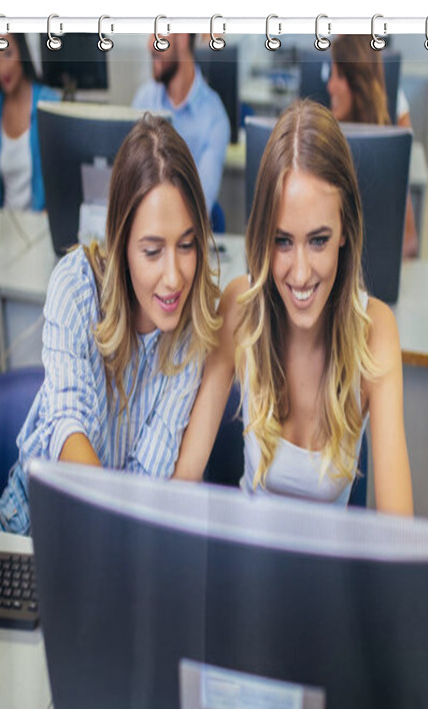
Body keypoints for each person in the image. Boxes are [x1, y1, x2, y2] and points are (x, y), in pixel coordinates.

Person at [0, 115, 221, 534]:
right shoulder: (76, 287)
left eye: (186, 245)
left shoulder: (192, 325)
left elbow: (153, 474)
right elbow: (67, 425)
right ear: (121, 244)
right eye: (152, 251)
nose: (174, 277)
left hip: (122, 540)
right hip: (33, 524)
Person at [174, 100, 413, 516]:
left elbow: (398, 532)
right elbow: (184, 478)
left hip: (326, 572)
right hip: (248, 565)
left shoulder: (376, 330)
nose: (300, 274)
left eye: (318, 240)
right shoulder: (240, 308)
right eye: (282, 240)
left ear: (344, 232)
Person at [326, 35, 419, 260]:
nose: (329, 86)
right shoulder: (324, 143)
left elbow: (410, 242)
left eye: (338, 76)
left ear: (357, 85)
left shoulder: (387, 154)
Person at [132, 33, 230, 217]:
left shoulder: (214, 118)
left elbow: (198, 206)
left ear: (184, 36)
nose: (150, 44)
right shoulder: (143, 100)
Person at [0, 33, 59, 211]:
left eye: (8, 54)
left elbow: (64, 177)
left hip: (41, 228)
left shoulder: (49, 104)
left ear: (22, 52)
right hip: (4, 225)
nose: (2, 68)